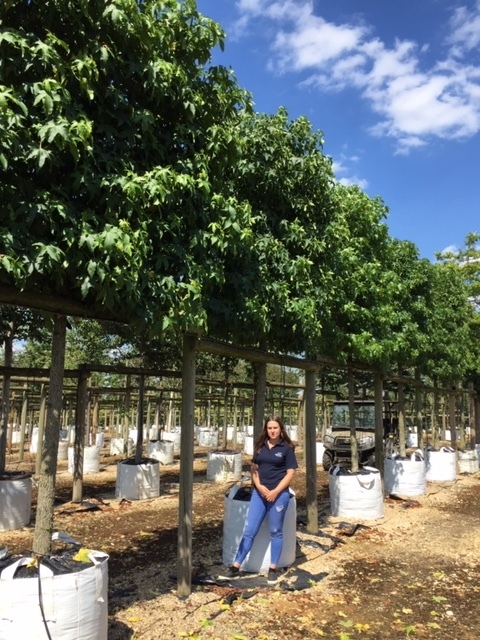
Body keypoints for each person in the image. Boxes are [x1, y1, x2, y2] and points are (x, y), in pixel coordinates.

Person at [219, 415, 298, 585]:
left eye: (275, 428)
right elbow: (254, 469)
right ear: (266, 429)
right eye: (269, 428)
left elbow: (290, 473)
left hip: (279, 495)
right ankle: (235, 567)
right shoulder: (260, 447)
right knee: (250, 530)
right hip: (259, 494)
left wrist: (276, 491)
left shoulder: (286, 449)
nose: (272, 431)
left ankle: (272, 569)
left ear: (281, 429)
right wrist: (259, 486)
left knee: (276, 531)